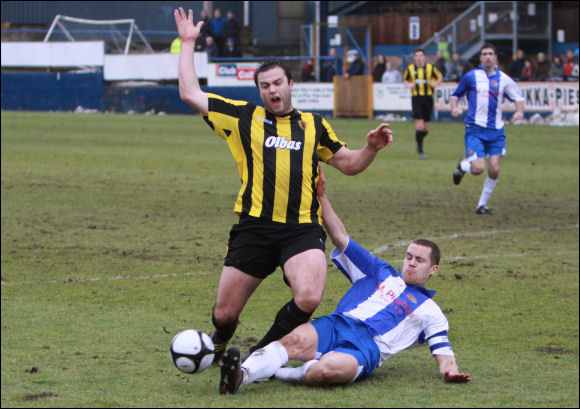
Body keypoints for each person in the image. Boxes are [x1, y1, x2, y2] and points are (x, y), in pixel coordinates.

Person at [173, 6, 394, 367]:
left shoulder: (313, 125)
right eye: (265, 85)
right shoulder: (243, 117)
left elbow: (349, 164)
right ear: (259, 90)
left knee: (308, 296)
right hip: (254, 228)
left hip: (301, 229)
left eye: (278, 83)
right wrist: (187, 43)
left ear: (291, 85)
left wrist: (370, 147)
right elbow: (189, 92)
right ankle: (220, 340)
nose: (272, 90)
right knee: (224, 313)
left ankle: (254, 358)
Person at [217, 166, 471, 394]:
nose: (411, 263)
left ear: (433, 269)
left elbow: (443, 352)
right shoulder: (380, 271)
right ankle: (240, 376)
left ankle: (281, 373)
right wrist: (322, 197)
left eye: (419, 260)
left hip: (367, 347)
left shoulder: (430, 311)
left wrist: (449, 372)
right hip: (338, 323)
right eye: (409, 256)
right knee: (290, 341)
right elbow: (341, 238)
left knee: (324, 372)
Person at [450, 44, 524, 215]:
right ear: (480, 58)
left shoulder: (504, 79)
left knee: (495, 169)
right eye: (484, 54)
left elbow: (517, 97)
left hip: (496, 131)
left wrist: (519, 112)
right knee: (477, 169)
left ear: (495, 57)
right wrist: (455, 108)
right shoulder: (471, 76)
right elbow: (456, 95)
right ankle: (463, 166)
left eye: (491, 54)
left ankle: (481, 205)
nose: (488, 57)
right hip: (475, 129)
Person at [403, 48, 443, 160]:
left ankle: (418, 139)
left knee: (425, 128)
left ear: (424, 57)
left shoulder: (431, 68)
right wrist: (409, 85)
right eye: (417, 56)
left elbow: (440, 77)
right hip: (416, 98)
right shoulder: (411, 69)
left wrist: (435, 83)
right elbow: (405, 79)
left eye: (421, 55)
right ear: (414, 57)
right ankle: (420, 149)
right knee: (419, 125)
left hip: (428, 98)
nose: (419, 58)